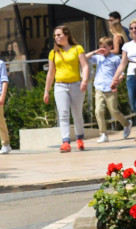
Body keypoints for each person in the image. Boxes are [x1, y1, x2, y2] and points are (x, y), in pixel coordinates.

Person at [42, 25, 88, 153]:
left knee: (77, 113)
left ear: (67, 35)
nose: (56, 38)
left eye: (59, 35)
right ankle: (66, 142)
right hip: (60, 85)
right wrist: (46, 91)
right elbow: (51, 73)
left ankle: (79, 138)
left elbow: (85, 66)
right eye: (55, 36)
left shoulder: (77, 49)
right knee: (63, 113)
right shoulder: (54, 53)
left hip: (76, 85)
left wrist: (84, 80)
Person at [86, 37, 130, 142]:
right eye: (100, 47)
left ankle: (126, 124)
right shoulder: (98, 57)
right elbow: (84, 58)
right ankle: (103, 134)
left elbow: (121, 73)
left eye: (104, 47)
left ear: (110, 47)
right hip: (99, 87)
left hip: (110, 87)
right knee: (98, 111)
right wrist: (95, 52)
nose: (102, 49)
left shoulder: (115, 58)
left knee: (114, 111)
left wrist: (118, 80)